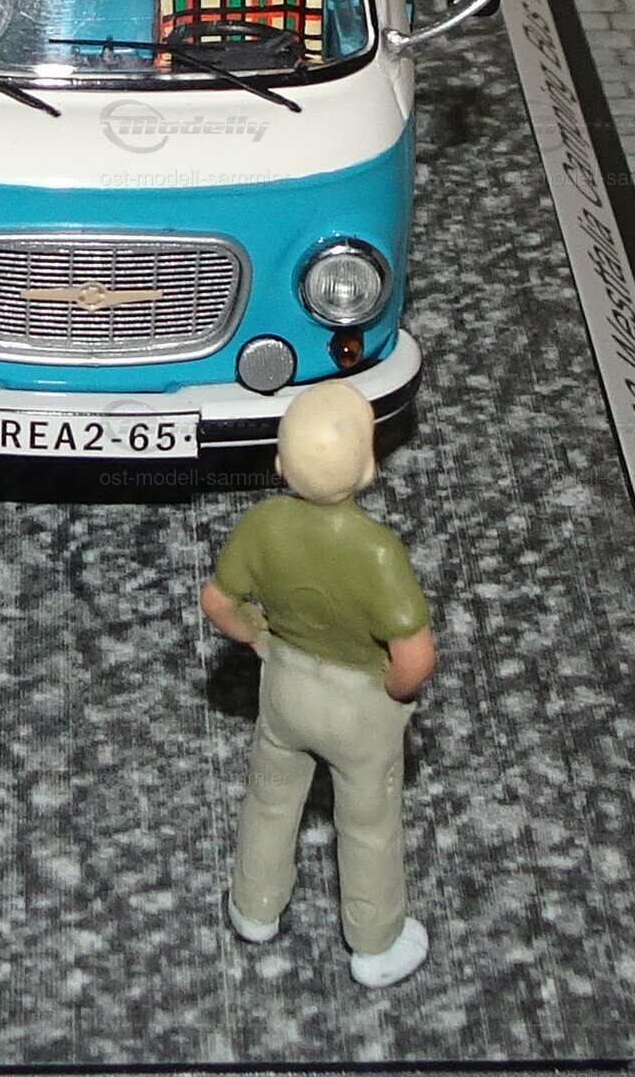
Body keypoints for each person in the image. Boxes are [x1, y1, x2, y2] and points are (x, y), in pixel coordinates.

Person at [200, 379, 435, 988]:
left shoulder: (263, 525)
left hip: (286, 688)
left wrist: (258, 638)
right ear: (368, 466)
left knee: (270, 801)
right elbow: (414, 658)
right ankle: (375, 944)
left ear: (279, 462)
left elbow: (217, 602)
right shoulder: (378, 552)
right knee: (368, 827)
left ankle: (253, 908)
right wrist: (394, 693)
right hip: (359, 707)